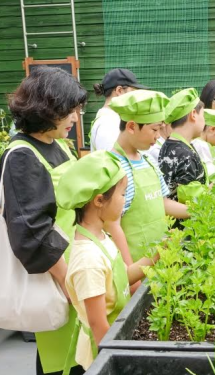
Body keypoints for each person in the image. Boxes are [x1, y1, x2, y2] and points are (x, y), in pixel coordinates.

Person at [0, 67, 87, 375]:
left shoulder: (58, 145)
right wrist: (70, 285)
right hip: (55, 276)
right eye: (69, 111)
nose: (75, 118)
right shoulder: (22, 155)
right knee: (62, 359)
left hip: (76, 266)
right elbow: (32, 232)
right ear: (47, 108)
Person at [58, 151, 158, 371]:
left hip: (117, 336)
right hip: (101, 352)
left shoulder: (102, 237)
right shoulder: (88, 261)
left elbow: (123, 277)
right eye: (123, 194)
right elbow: (99, 325)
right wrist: (118, 365)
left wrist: (158, 255)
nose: (125, 201)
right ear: (99, 200)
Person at [107, 90, 189, 266]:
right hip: (136, 267)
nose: (158, 136)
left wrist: (197, 212)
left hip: (160, 263)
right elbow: (112, 225)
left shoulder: (148, 160)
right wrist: (130, 274)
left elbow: (162, 202)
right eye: (154, 129)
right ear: (131, 127)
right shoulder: (114, 167)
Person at [159, 88, 208, 203]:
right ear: (193, 114)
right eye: (204, 116)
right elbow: (191, 201)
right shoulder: (185, 154)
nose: (205, 122)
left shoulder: (168, 145)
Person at [90, 69, 149, 152]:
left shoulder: (111, 118)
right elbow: (110, 159)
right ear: (119, 90)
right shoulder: (108, 123)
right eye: (132, 91)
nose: (135, 97)